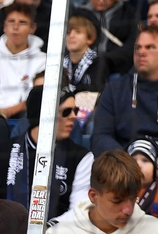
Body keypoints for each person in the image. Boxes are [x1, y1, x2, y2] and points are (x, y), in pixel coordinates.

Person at [91, 25, 158, 157]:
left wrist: (157, 166)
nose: (141, 52)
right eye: (138, 47)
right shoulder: (114, 89)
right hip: (122, 170)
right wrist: (126, 164)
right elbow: (101, 135)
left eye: (150, 47)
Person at [0, 87, 93, 221]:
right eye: (66, 112)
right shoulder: (4, 151)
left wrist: (48, 228)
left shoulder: (81, 157)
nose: (74, 116)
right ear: (45, 116)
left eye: (75, 110)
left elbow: (79, 210)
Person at [47, 149, 158, 234]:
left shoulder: (155, 230)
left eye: (133, 198)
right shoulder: (60, 231)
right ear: (93, 196)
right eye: (117, 201)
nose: (128, 210)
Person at [73, 0, 140, 75]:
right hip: (83, 67)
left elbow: (133, 42)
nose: (101, 0)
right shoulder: (78, 14)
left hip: (118, 66)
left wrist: (107, 59)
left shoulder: (128, 13)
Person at [0, 3, 44, 143]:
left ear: (32, 28)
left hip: (23, 120)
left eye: (22, 22)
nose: (16, 27)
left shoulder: (43, 60)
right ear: (4, 26)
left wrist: (6, 112)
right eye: (11, 22)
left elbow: (38, 99)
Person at [63, 15, 107, 93]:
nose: (71, 36)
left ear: (90, 39)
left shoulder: (98, 61)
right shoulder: (61, 62)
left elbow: (97, 88)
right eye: (68, 33)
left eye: (78, 32)